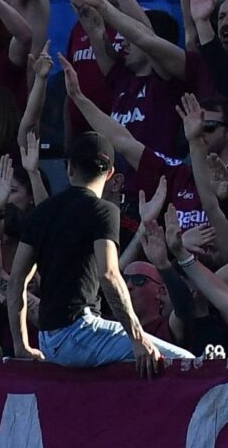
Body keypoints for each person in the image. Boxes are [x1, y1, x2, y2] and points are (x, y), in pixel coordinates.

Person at [10, 131, 195, 369]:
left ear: (70, 168)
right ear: (109, 174)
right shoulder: (103, 210)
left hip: (48, 340)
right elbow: (109, 274)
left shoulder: (40, 212)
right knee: (185, 363)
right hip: (80, 332)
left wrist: (21, 345)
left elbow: (16, 280)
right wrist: (137, 338)